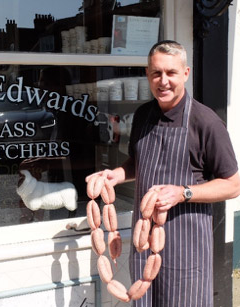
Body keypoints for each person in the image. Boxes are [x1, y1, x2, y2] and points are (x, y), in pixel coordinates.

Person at [86, 40, 240, 306]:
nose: (163, 81)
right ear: (148, 74)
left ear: (186, 74)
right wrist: (117, 175)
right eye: (156, 73)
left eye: (171, 73)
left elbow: (233, 184)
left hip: (186, 247)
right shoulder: (144, 114)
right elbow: (139, 162)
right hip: (143, 242)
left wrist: (183, 193)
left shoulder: (206, 122)